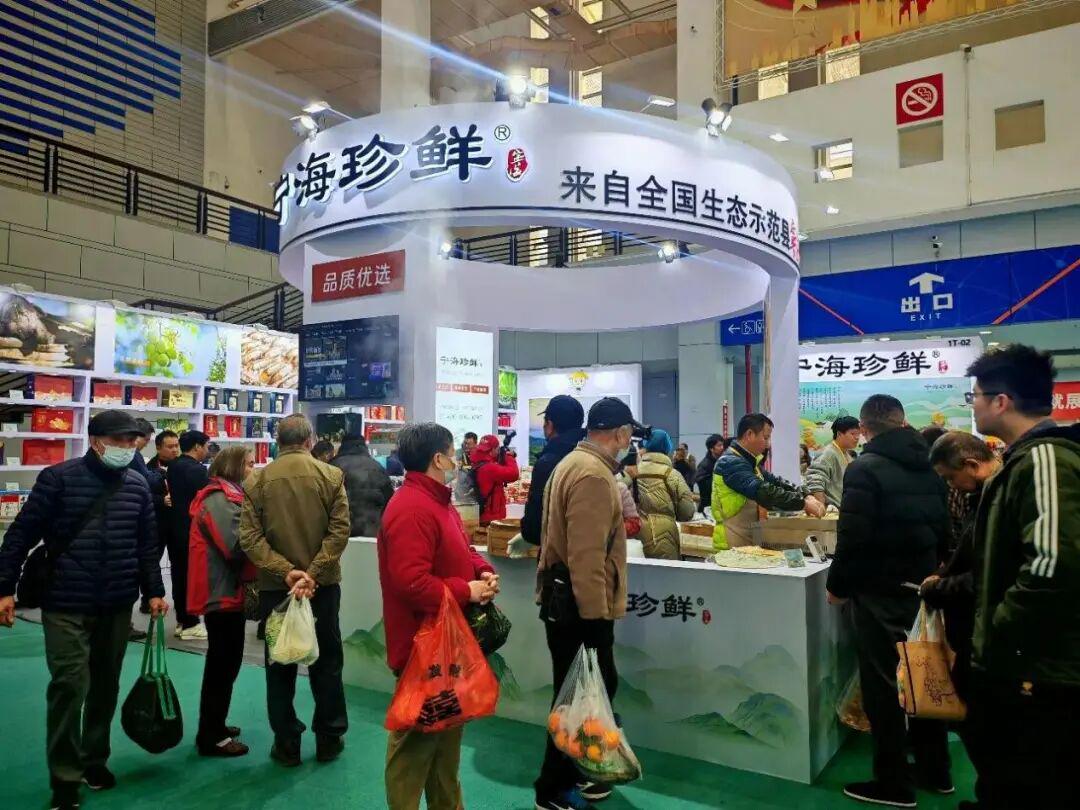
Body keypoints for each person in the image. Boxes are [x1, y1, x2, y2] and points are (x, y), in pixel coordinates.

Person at [0, 410, 167, 810]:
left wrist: (154, 591)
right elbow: (21, 534)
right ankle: (65, 779)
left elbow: (147, 546)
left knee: (105, 687)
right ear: (96, 441)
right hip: (65, 602)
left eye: (132, 441)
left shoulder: (138, 486)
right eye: (119, 441)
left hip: (117, 602)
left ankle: (94, 760)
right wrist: (4, 588)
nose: (127, 448)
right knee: (69, 687)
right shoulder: (58, 479)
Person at [962, 345, 1080, 808]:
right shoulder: (1022, 460)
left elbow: (1053, 565)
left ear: (1001, 401)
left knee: (1029, 779)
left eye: (974, 396)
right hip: (1024, 666)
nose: (972, 405)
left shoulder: (1045, 459)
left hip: (1036, 671)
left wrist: (1000, 631)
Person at [827, 395, 952, 808]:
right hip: (923, 589)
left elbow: (852, 537)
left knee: (883, 689)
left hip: (879, 592)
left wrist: (838, 586)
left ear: (864, 429)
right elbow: (945, 530)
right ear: (901, 422)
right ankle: (936, 771)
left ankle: (893, 784)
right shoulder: (930, 465)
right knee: (923, 679)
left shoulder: (864, 468)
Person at [378, 422, 498, 809]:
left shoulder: (436, 501)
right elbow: (411, 583)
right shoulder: (412, 509)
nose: (456, 460)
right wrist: (467, 590)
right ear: (437, 459)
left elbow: (460, 548)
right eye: (452, 453)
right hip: (423, 650)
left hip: (446, 649)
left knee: (445, 746)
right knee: (413, 749)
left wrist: (481, 570)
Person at [534, 397, 635, 810]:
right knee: (577, 698)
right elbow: (586, 556)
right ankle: (552, 787)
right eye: (629, 435)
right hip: (579, 608)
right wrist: (595, 619)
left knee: (578, 695)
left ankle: (581, 774)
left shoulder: (573, 463)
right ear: (621, 434)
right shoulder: (593, 474)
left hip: (564, 601)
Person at [239, 414, 351, 767]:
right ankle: (329, 737)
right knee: (327, 661)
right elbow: (340, 531)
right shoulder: (331, 476)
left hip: (277, 589)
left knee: (280, 663)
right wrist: (313, 574)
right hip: (323, 587)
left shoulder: (256, 481)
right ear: (309, 440)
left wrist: (286, 572)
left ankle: (286, 743)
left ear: (278, 441)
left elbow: (250, 539)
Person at [188, 445, 257, 758]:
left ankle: (215, 724)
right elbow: (234, 545)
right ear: (234, 466)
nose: (254, 469)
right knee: (222, 664)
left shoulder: (228, 496)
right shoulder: (219, 499)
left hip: (226, 590)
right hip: (221, 591)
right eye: (250, 464)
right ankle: (211, 735)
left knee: (227, 662)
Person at [922, 432, 1000, 706]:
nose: (950, 485)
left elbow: (990, 575)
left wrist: (939, 588)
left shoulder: (997, 500)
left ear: (971, 465)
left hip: (988, 632)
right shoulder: (983, 496)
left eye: (950, 477)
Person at [712, 414, 824, 550]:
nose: (768, 444)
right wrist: (803, 503)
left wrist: (805, 494)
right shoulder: (730, 462)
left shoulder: (749, 462)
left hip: (747, 538)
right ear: (749, 434)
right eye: (765, 438)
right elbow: (764, 491)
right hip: (730, 542)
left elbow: (776, 482)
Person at [521, 395, 586, 547]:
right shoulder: (592, 457)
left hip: (558, 555)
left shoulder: (548, 463)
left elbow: (534, 530)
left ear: (549, 425)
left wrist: (525, 529)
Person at [167, 430, 211, 640]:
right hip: (192, 530)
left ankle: (182, 620)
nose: (208, 450)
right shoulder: (197, 470)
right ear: (197, 446)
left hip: (175, 528)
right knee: (191, 577)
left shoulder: (174, 465)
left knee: (178, 576)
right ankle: (191, 623)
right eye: (206, 446)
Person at [626, 429, 696, 559]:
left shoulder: (630, 472)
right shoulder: (672, 475)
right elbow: (687, 512)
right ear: (667, 447)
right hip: (664, 538)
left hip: (633, 534)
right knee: (664, 571)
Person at [142, 429, 179, 615]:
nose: (175, 450)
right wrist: (160, 500)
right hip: (156, 523)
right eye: (170, 446)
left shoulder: (182, 467)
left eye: (177, 446)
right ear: (158, 448)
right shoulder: (147, 468)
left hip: (177, 523)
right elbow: (144, 496)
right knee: (152, 563)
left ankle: (180, 602)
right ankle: (148, 599)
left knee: (178, 564)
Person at [330, 430, 394, 537]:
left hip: (340, 533)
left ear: (343, 446)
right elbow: (389, 503)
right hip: (371, 532)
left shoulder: (332, 467)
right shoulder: (378, 468)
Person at [805, 415, 861, 509]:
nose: (857, 437)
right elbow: (815, 479)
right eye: (853, 434)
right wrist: (820, 507)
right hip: (832, 510)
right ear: (839, 434)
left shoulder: (846, 454)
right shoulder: (829, 452)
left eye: (858, 434)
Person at [470, 433, 520, 525]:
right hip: (491, 516)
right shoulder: (490, 468)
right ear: (492, 450)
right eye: (497, 449)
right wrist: (508, 456)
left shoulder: (477, 463)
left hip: (481, 512)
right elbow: (514, 474)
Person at [693, 434, 725, 515]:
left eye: (722, 445)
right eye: (719, 445)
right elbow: (705, 487)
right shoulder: (704, 465)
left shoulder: (722, 461)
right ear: (711, 449)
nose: (722, 448)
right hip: (708, 508)